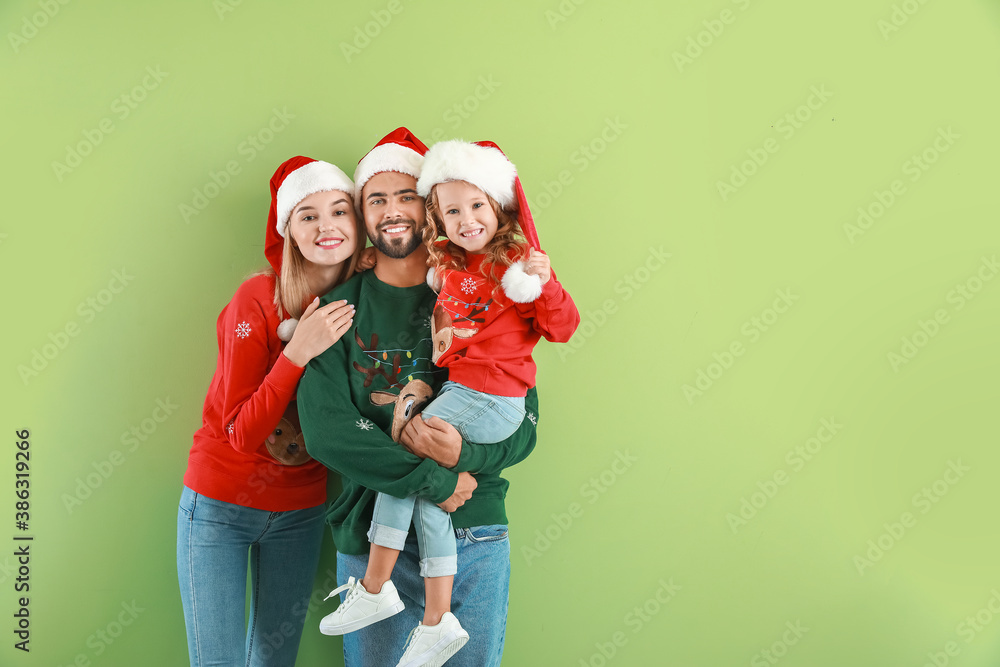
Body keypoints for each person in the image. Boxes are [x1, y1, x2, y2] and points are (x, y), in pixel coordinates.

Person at [319, 138, 579, 665]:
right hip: (371, 529)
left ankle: (403, 606)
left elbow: (522, 424)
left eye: (405, 196)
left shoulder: (493, 289)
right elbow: (329, 430)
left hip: (474, 526)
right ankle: (383, 594)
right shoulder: (339, 308)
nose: (392, 210)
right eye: (375, 199)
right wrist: (440, 478)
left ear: (425, 208)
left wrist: (465, 459)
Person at [177, 156, 362, 667]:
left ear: (357, 224)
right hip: (219, 509)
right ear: (290, 234)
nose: (326, 225)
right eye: (308, 215)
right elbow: (240, 432)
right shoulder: (257, 297)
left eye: (339, 210)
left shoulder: (363, 301)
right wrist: (297, 351)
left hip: (301, 512)